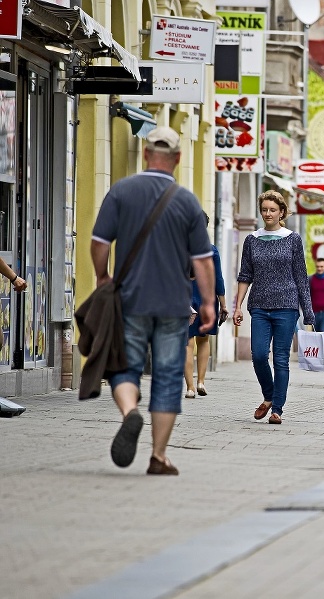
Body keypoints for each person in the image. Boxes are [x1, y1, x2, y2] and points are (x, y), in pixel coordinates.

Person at [90, 126, 215, 475]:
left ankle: (131, 412)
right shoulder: (187, 201)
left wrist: (103, 277)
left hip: (129, 300)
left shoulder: (122, 191)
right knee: (169, 376)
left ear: (146, 154)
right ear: (177, 159)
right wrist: (207, 302)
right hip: (174, 305)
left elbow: (100, 241)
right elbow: (202, 260)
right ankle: (158, 456)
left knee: (125, 366)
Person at [234, 190, 315, 425]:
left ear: (282, 212)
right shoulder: (251, 240)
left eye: (272, 210)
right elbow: (245, 275)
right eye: (264, 210)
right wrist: (237, 306)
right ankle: (269, 396)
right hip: (259, 305)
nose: (268, 214)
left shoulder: (293, 239)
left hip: (286, 307)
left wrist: (308, 311)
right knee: (259, 355)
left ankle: (277, 409)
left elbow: (301, 276)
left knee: (280, 359)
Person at [184, 213, 228, 398]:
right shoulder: (211, 250)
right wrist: (223, 305)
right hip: (207, 300)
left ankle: (190, 388)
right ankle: (201, 381)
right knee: (204, 340)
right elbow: (218, 279)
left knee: (186, 344)